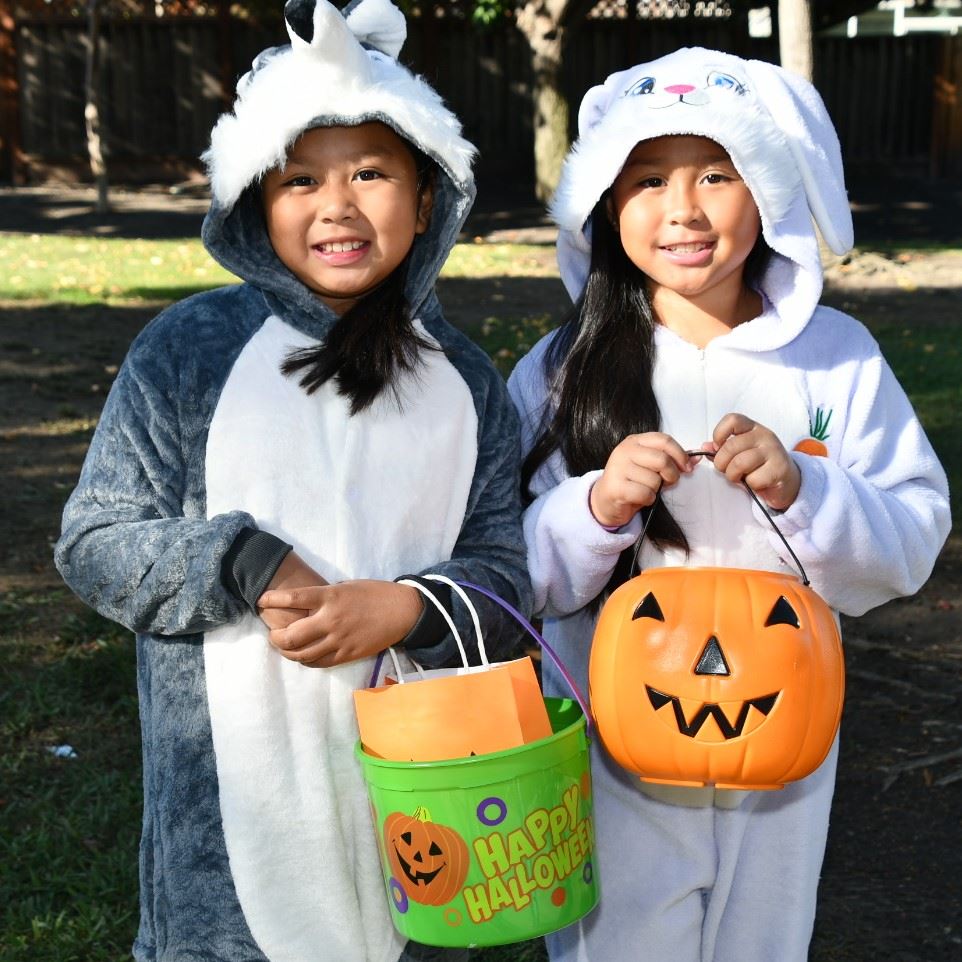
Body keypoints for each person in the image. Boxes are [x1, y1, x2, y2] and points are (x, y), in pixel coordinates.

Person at [54, 1, 531, 960]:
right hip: (232, 829)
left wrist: (408, 609)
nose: (337, 206)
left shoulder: (465, 380)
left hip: (425, 804)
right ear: (254, 202)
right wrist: (244, 558)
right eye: (301, 179)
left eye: (371, 173)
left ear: (429, 197)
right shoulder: (186, 354)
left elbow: (507, 575)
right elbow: (93, 544)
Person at [507, 47, 950, 962]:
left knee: (763, 939)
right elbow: (512, 571)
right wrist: (595, 508)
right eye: (647, 180)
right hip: (610, 732)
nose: (683, 210)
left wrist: (807, 487)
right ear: (603, 202)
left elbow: (913, 532)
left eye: (717, 174)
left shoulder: (837, 357)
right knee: (620, 942)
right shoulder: (561, 371)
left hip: (783, 726)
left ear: (774, 189)